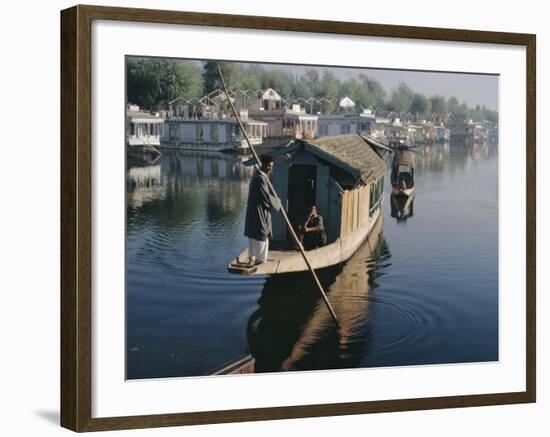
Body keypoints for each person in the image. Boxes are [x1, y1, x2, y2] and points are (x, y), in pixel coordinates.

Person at [244, 155, 281, 265]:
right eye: (269, 166)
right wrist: (278, 203)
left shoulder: (260, 176)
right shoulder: (260, 178)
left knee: (255, 233)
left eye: (271, 166)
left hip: (255, 210)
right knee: (261, 232)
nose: (270, 168)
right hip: (258, 210)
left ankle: (253, 257)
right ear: (263, 165)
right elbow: (266, 198)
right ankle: (259, 259)